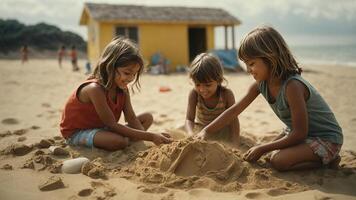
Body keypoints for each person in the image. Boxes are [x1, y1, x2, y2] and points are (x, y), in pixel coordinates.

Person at [197, 26, 343, 171]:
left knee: (279, 161)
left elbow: (300, 133)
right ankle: (318, 158)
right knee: (268, 155)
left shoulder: (292, 86)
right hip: (301, 135)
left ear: (270, 58)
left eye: (252, 64)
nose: (248, 70)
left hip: (325, 139)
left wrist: (262, 148)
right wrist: (206, 131)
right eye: (246, 64)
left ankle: (327, 162)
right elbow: (234, 110)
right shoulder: (260, 85)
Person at [60, 37, 172, 151]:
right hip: (77, 132)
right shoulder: (94, 89)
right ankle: (124, 140)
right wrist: (151, 136)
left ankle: (127, 140)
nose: (131, 78)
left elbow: (131, 118)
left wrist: (145, 139)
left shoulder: (122, 89)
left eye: (134, 74)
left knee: (147, 117)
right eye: (127, 73)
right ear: (110, 66)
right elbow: (112, 124)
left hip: (102, 128)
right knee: (118, 142)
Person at [185, 53, 240, 144]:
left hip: (222, 131)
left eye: (208, 85)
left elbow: (234, 120)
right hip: (201, 129)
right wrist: (190, 134)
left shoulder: (226, 95)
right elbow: (189, 119)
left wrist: (235, 142)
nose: (202, 90)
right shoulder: (194, 94)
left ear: (219, 80)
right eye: (197, 84)